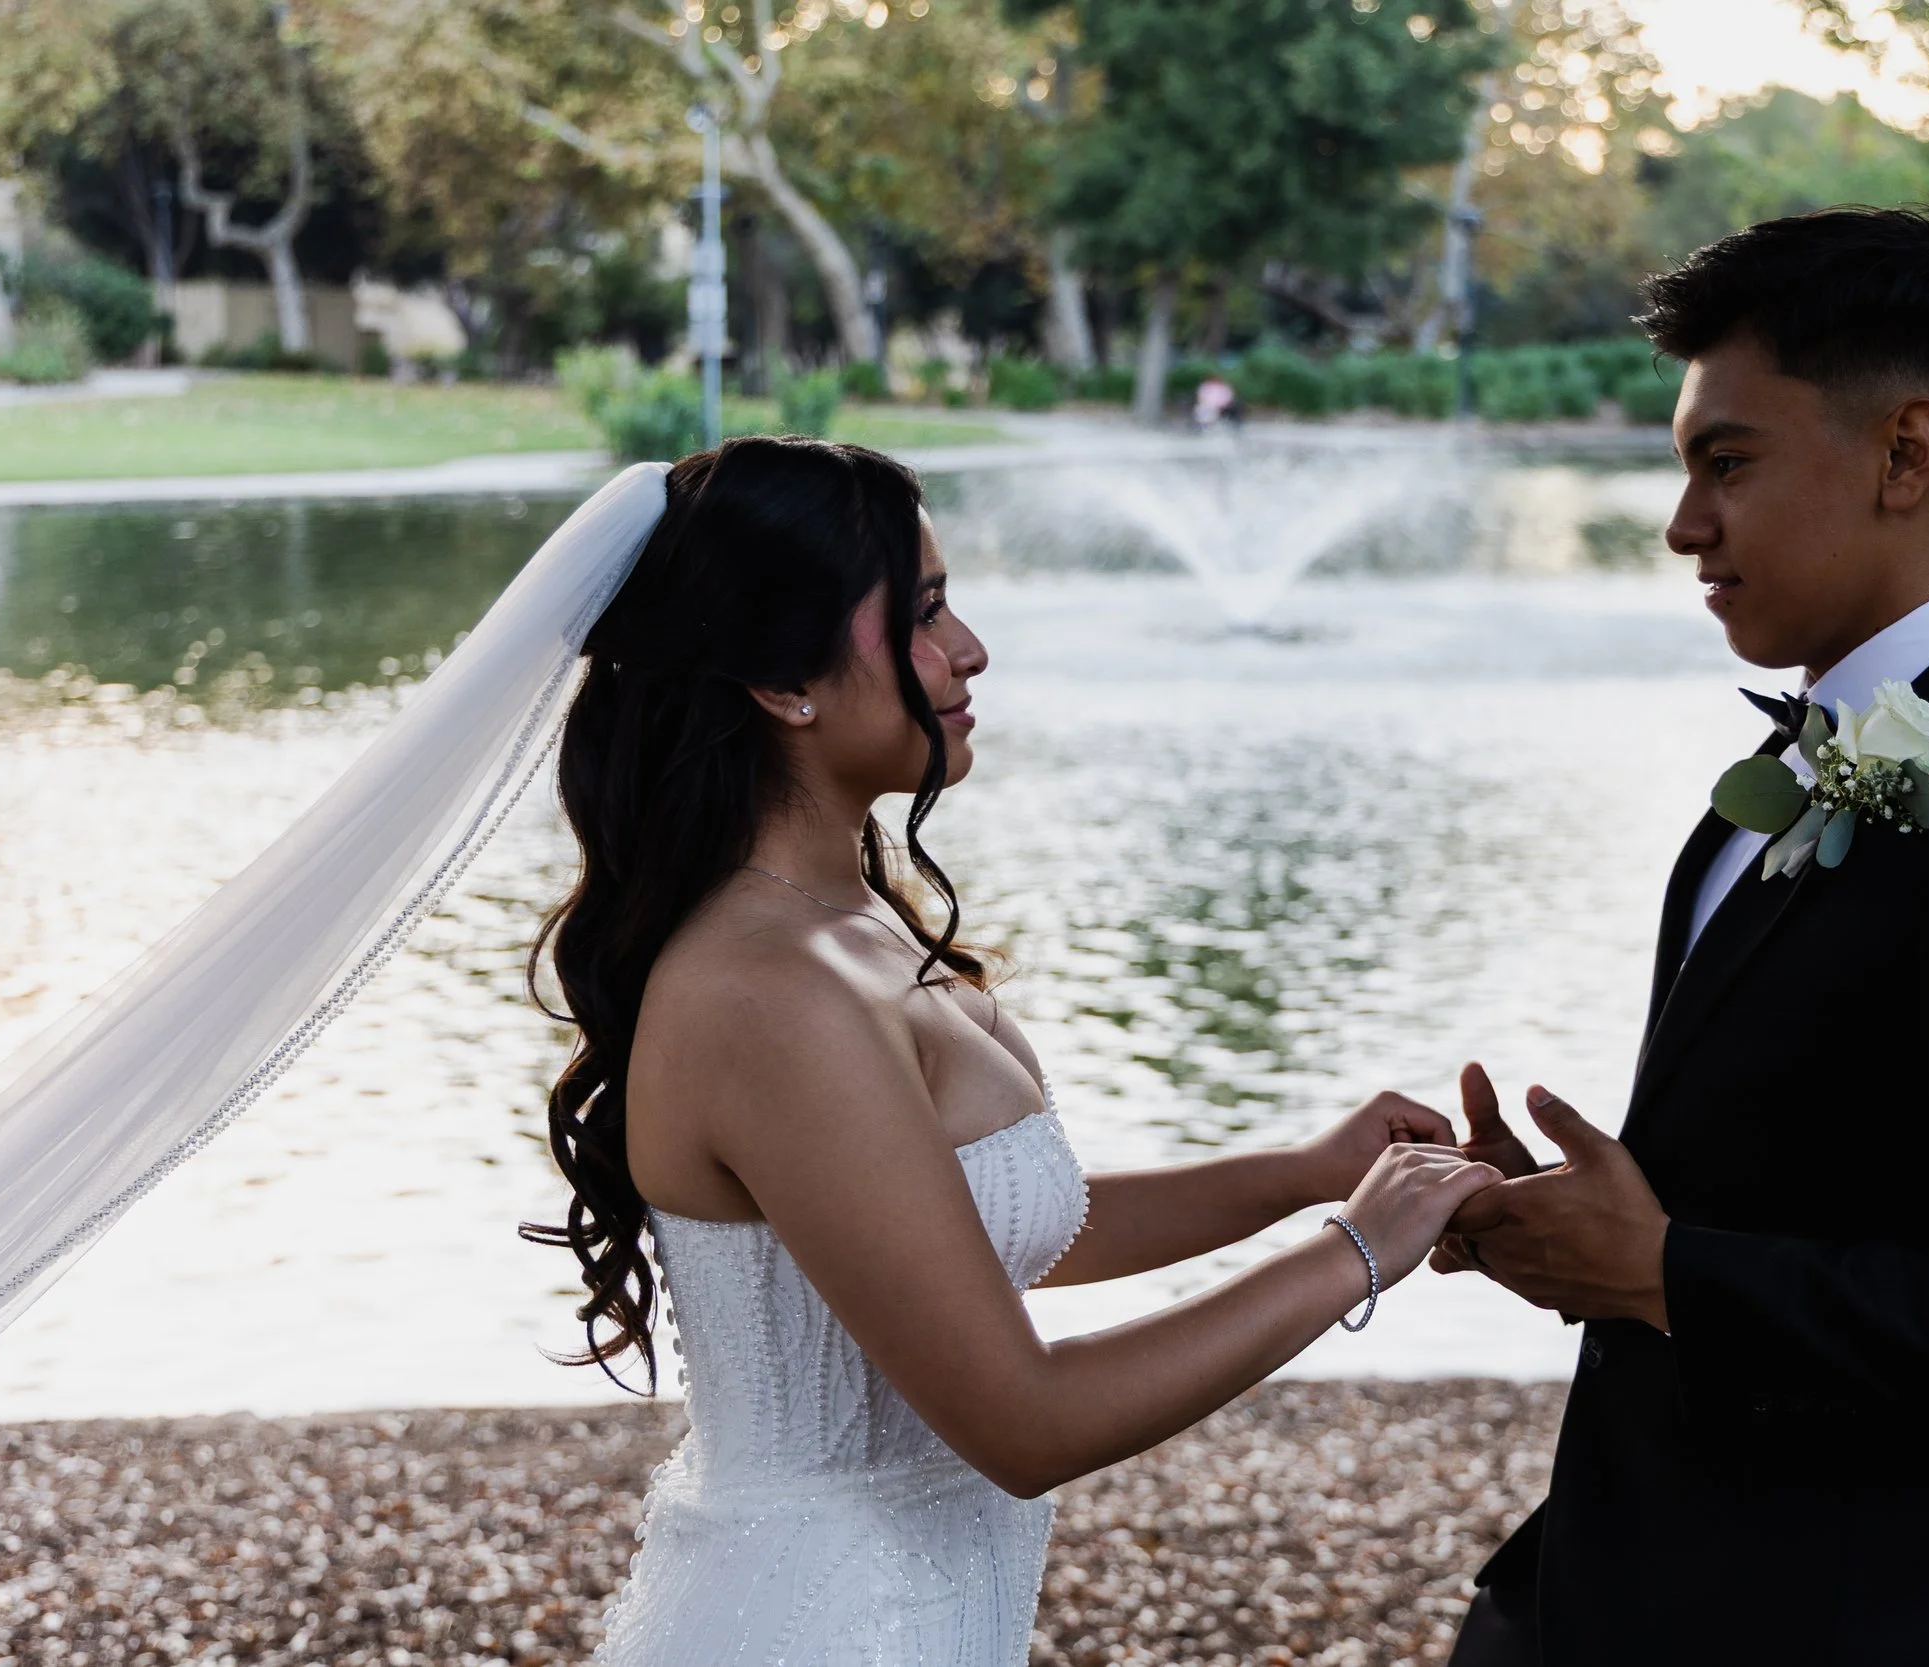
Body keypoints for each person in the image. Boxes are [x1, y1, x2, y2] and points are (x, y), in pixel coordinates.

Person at [522, 436, 1503, 1666]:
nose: (969, 648)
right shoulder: (767, 991)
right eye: (924, 611)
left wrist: (1307, 1170)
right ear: (783, 680)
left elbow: (974, 1237)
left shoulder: (843, 925)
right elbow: (1022, 1420)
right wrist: (1351, 1251)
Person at [1432, 208, 1929, 1665]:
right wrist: (1573, 1225)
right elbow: (1801, 1169)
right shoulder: (1790, 767)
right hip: (1631, 1578)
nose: (1684, 525)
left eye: (1726, 463)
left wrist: (1664, 1270)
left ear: (1907, 455)